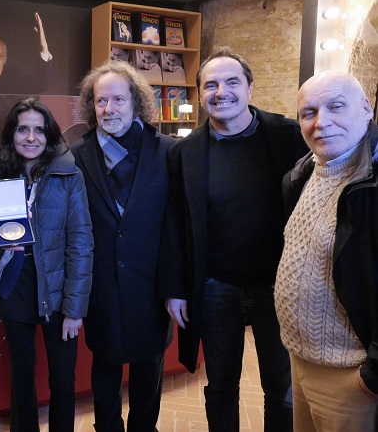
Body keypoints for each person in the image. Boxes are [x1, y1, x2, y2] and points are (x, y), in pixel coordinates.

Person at [161, 48, 309, 431]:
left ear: (249, 88)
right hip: (215, 287)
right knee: (221, 386)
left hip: (278, 287)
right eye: (210, 84)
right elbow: (175, 224)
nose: (220, 92)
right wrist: (175, 289)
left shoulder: (289, 136)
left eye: (231, 82)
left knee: (281, 388)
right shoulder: (185, 152)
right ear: (199, 93)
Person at [71, 60, 175, 431]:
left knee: (149, 370)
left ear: (136, 102)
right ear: (91, 105)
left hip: (151, 286)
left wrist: (174, 287)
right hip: (101, 286)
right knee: (105, 368)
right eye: (100, 101)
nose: (108, 109)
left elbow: (175, 226)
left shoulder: (167, 152)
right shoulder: (76, 155)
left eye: (118, 100)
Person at [275, 71, 378, 431]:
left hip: (350, 378)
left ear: (366, 108)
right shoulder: (303, 175)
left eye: (336, 107)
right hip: (300, 362)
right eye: (309, 112)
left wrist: (372, 375)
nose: (321, 123)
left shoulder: (371, 184)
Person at [0, 97, 93, 431]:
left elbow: (81, 242)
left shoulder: (69, 173)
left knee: (62, 378)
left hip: (59, 291)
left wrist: (75, 309)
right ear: (11, 134)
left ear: (49, 134)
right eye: (22, 129)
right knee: (21, 376)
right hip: (15, 285)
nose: (31, 138)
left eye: (39, 130)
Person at [0, 12, 53, 154]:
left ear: (5, 59)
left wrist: (43, 47)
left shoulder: (14, 82)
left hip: (10, 155)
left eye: (0, 56)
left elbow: (41, 83)